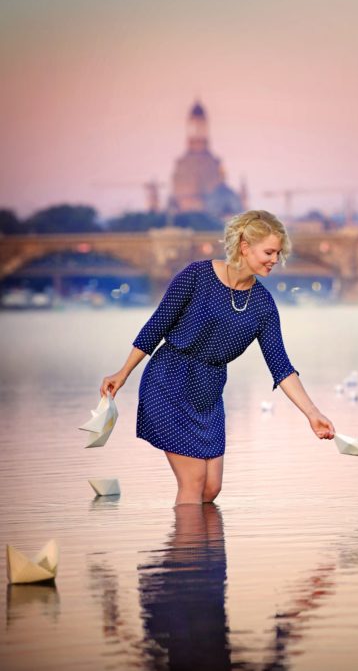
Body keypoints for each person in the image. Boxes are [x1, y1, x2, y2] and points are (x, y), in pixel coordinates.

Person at [100, 210, 335, 505]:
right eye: (269, 252)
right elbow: (156, 327)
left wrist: (312, 413)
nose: (275, 259)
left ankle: (190, 550)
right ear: (244, 246)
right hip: (169, 380)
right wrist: (122, 373)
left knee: (211, 488)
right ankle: (189, 547)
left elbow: (281, 367)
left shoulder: (263, 304)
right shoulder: (196, 276)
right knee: (193, 481)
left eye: (278, 253)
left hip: (208, 392)